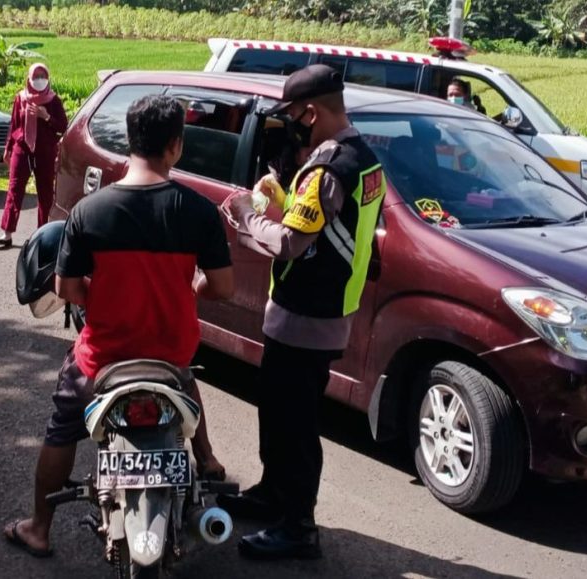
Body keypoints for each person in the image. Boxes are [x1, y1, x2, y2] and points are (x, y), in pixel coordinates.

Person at [3, 94, 234, 557]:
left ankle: (39, 528)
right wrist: (190, 288)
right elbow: (223, 288)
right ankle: (205, 459)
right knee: (184, 378)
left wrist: (104, 299)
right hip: (170, 354)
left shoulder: (90, 212)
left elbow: (68, 289)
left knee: (63, 425)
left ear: (130, 142)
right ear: (176, 146)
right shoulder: (198, 211)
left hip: (102, 359)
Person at [219, 64, 386, 560]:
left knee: (294, 423)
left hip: (308, 315)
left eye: (292, 116)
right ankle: (274, 492)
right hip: (326, 309)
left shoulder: (329, 167)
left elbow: (291, 243)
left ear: (311, 113)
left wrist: (246, 214)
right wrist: (283, 192)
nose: (289, 126)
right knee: (278, 410)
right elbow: (333, 226)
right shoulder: (365, 159)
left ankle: (298, 526)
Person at [0, 63, 68, 249]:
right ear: (29, 78)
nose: (40, 80)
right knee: (14, 188)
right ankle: (7, 232)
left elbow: (63, 126)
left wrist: (46, 117)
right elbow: (14, 124)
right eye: (37, 76)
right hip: (22, 148)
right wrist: (8, 148)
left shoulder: (53, 100)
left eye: (43, 76)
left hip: (45, 151)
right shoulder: (21, 98)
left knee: (45, 194)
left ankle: (43, 235)